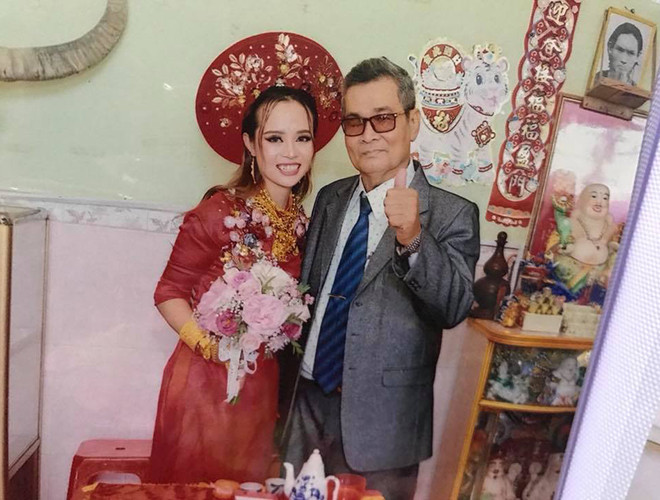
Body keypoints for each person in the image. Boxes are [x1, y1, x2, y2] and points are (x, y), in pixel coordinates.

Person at [281, 57, 480, 499]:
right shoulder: (330, 198)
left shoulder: (452, 214)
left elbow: (453, 308)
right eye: (354, 122)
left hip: (384, 426)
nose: (368, 134)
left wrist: (413, 237)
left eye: (383, 118)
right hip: (305, 405)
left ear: (413, 122)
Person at [149, 85, 318, 484]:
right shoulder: (219, 211)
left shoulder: (303, 222)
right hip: (205, 383)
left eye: (302, 138)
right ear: (250, 144)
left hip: (263, 385)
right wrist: (213, 348)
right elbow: (168, 292)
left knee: (247, 486)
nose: (290, 152)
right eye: (274, 138)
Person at [595, 22, 644, 86]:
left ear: (638, 56)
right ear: (610, 48)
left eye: (631, 53)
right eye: (620, 50)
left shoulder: (636, 90)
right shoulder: (594, 81)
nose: (624, 60)